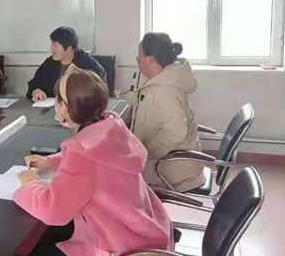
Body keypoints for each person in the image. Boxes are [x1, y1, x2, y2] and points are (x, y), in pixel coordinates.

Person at [14, 69, 172, 256]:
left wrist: (31, 183)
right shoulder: (112, 126)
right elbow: (98, 161)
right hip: (145, 232)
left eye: (58, 98)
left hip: (116, 247)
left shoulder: (81, 154)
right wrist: (51, 162)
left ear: (64, 108)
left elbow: (53, 211)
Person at [131, 32, 204, 192]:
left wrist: (143, 152)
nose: (137, 58)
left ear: (151, 59)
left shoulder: (165, 91)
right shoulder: (161, 79)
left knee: (121, 176)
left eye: (140, 54)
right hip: (175, 163)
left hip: (174, 170)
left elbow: (175, 134)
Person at [27, 27, 106, 102]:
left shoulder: (86, 62)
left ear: (68, 48)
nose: (51, 49)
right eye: (52, 44)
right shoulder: (50, 63)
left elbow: (100, 85)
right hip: (54, 108)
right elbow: (34, 84)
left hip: (80, 108)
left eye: (55, 46)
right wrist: (36, 91)